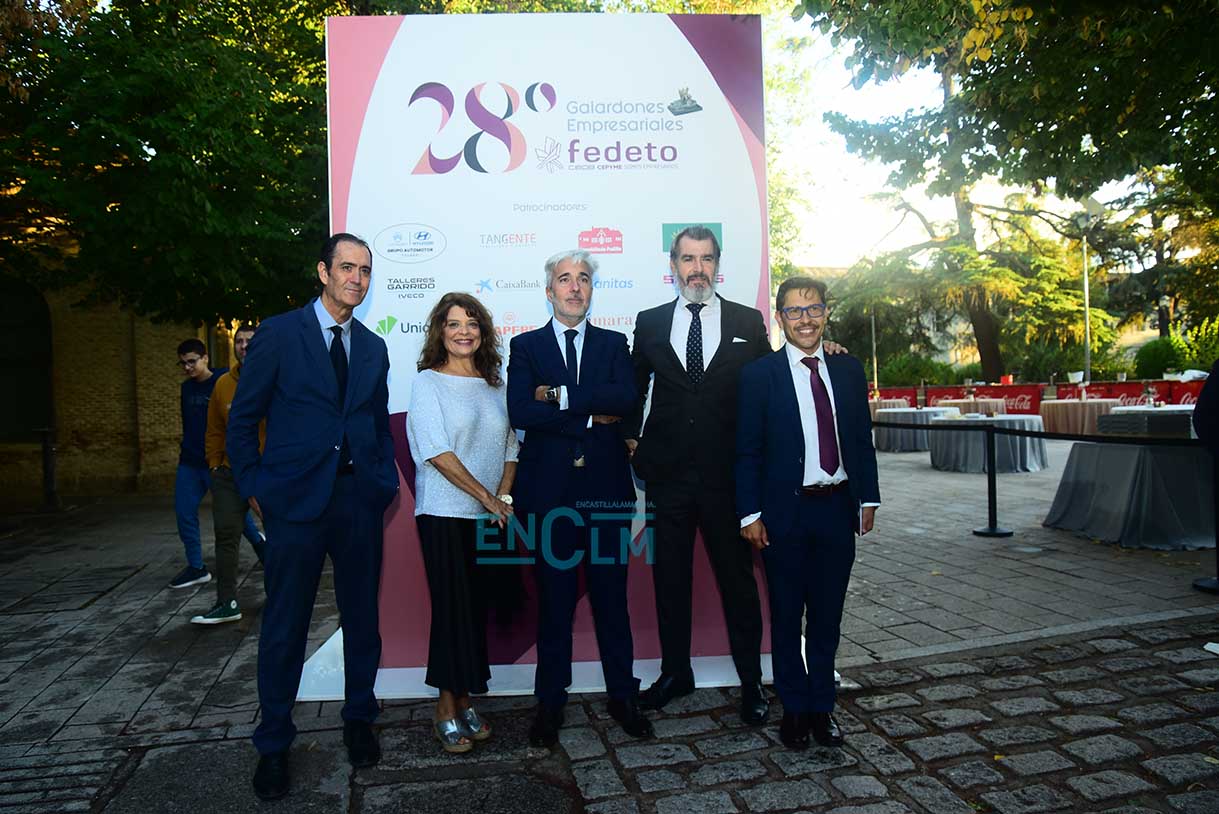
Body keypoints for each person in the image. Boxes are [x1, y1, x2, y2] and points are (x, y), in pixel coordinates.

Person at [227, 234, 399, 800]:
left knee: (362, 619)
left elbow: (376, 423)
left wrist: (379, 483)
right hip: (294, 505)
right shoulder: (279, 334)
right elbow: (242, 418)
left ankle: (359, 719)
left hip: (357, 502)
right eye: (347, 267)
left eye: (365, 271)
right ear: (323, 272)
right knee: (285, 625)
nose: (356, 279)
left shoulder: (372, 347)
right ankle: (274, 742)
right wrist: (254, 487)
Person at [506, 249, 653, 747]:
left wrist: (559, 396)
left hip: (607, 495)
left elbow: (625, 400)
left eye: (583, 279)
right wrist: (589, 412)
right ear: (549, 290)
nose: (574, 287)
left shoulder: (614, 343)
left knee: (612, 600)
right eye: (565, 279)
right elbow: (521, 410)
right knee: (555, 603)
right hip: (549, 498)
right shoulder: (525, 346)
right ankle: (550, 702)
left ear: (592, 289)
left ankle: (622, 695)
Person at [623, 225, 769, 724]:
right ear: (673, 265)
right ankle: (675, 673)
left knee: (738, 585)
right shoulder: (649, 322)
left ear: (717, 265)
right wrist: (630, 438)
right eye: (688, 259)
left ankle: (752, 681)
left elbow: (771, 385)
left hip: (729, 480)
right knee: (669, 581)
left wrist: (820, 353)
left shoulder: (748, 321)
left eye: (706, 258)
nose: (697, 269)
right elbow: (632, 388)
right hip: (667, 478)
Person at [735, 276, 880, 750]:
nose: (805, 319)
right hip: (784, 515)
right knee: (785, 616)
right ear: (779, 318)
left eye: (813, 308)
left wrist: (869, 498)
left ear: (826, 313)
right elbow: (747, 451)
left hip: (837, 509)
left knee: (826, 617)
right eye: (794, 311)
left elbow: (860, 438)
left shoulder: (848, 369)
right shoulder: (760, 376)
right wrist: (749, 514)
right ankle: (795, 709)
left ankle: (823, 707)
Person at [407, 292, 518, 754]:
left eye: (471, 323)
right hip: (443, 513)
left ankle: (466, 699)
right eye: (454, 324)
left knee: (474, 611)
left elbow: (510, 445)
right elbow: (436, 451)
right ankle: (445, 708)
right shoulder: (427, 383)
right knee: (452, 610)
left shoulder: (495, 384)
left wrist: (502, 499)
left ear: (482, 332)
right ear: (440, 331)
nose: (464, 332)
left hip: (488, 516)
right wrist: (488, 498)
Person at [170, 338, 261, 590]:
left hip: (221, 462)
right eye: (183, 363)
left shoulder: (223, 381)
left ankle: (261, 547)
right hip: (191, 461)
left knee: (235, 515)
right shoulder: (187, 389)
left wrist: (218, 462)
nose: (187, 367)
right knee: (184, 512)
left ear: (205, 358)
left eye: (192, 362)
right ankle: (196, 567)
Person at [195, 322, 266, 625]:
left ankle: (280, 599)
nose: (244, 346)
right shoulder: (223, 383)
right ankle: (227, 602)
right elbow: (214, 429)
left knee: (280, 537)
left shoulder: (274, 378)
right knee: (226, 538)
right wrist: (214, 464)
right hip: (228, 474)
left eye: (250, 341)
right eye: (239, 341)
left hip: (265, 474)